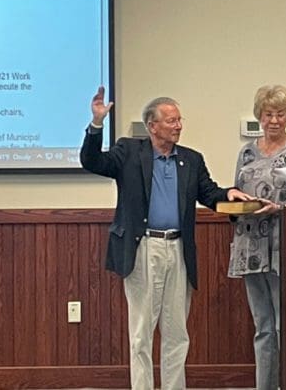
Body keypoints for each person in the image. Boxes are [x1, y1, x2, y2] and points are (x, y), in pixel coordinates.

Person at [80, 86, 256, 390]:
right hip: (142, 248)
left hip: (178, 249)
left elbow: (209, 193)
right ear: (152, 125)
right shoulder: (129, 151)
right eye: (171, 121)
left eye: (179, 120)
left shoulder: (191, 159)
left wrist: (229, 193)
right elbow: (92, 161)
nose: (178, 126)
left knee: (177, 332)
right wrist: (97, 124)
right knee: (142, 333)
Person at [227, 85, 286, 390]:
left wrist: (280, 207)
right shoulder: (247, 151)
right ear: (260, 116)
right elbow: (236, 189)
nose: (274, 120)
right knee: (263, 327)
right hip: (250, 246)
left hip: (285, 245)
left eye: (280, 114)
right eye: (268, 114)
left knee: (285, 325)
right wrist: (235, 204)